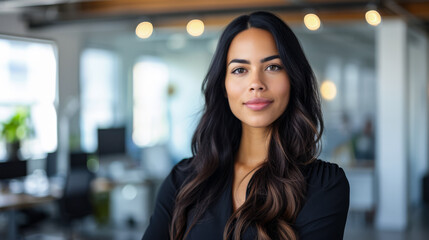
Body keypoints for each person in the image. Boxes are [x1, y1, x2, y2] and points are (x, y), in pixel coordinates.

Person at [142, 11, 349, 240]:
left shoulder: (324, 185)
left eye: (273, 67)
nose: (256, 84)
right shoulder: (183, 181)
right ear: (224, 86)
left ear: (293, 78)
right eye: (240, 70)